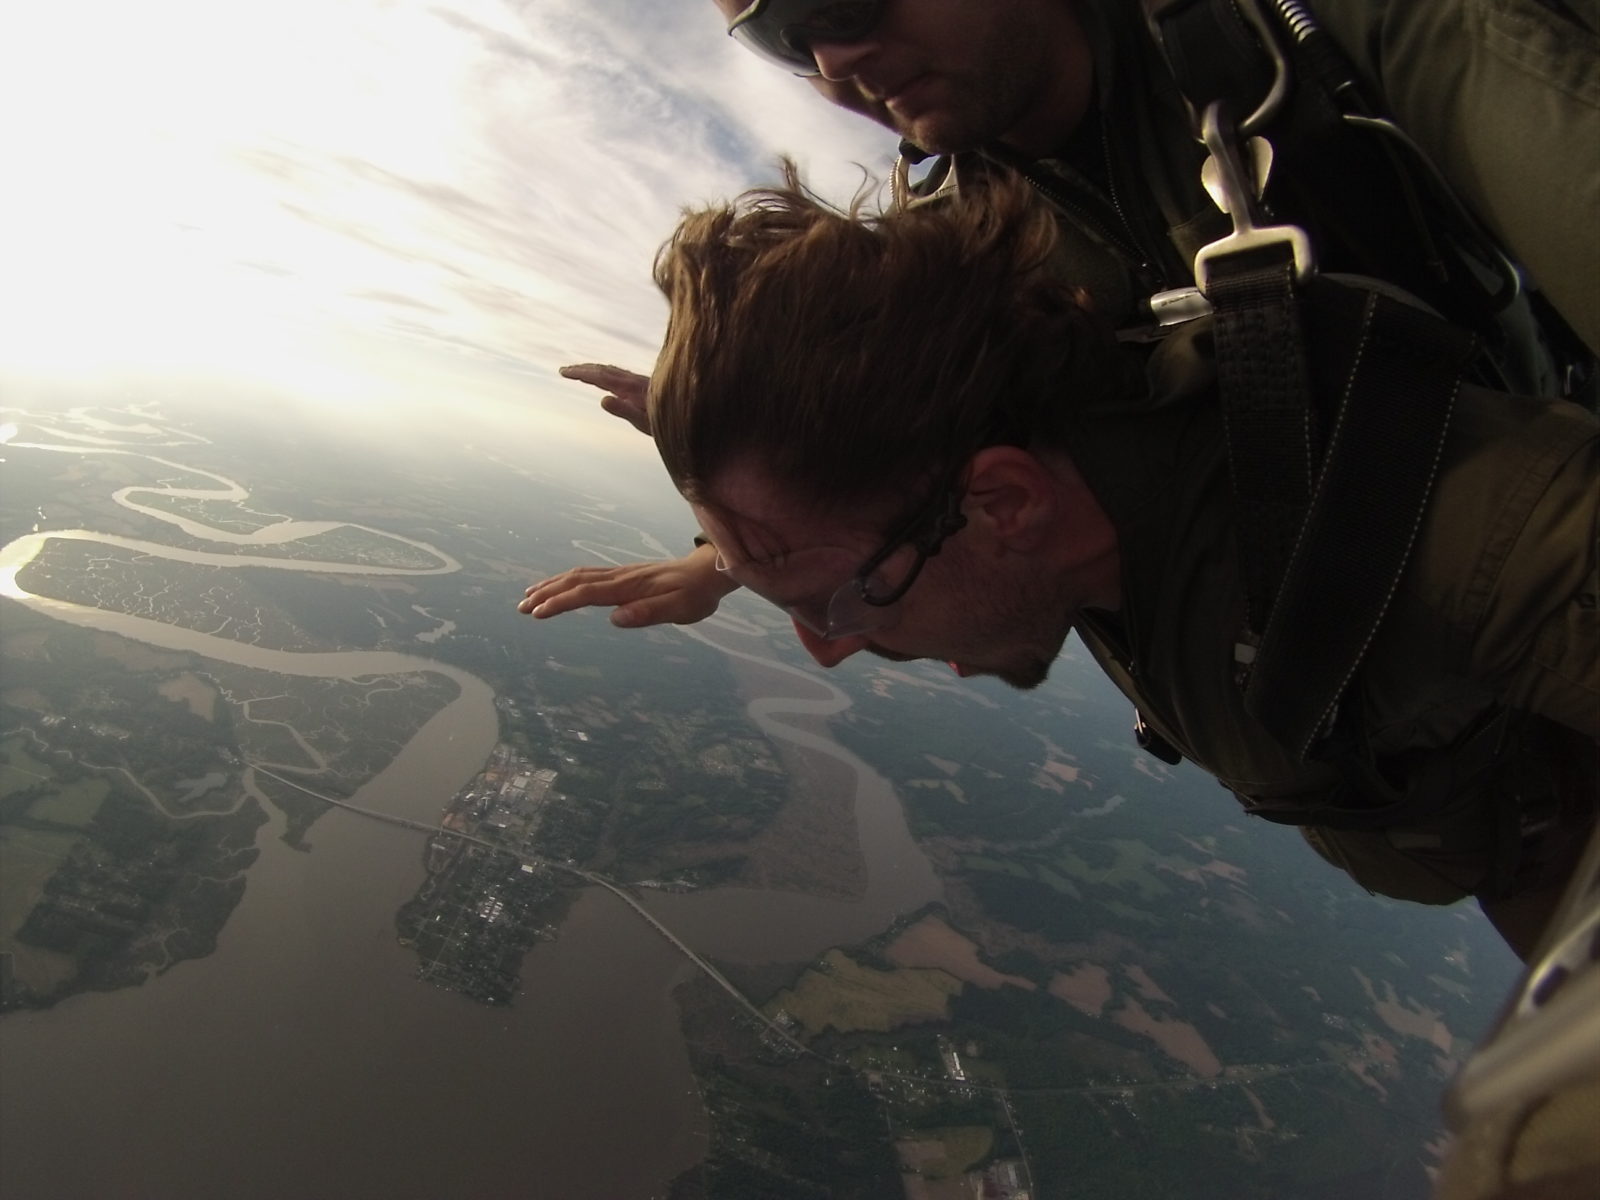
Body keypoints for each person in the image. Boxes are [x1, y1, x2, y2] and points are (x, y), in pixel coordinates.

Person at [530, 166, 1599, 964]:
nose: (832, 647)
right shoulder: (1047, 489)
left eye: (840, 599)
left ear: (1004, 504)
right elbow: (866, 522)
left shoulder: (1472, 544)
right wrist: (729, 564)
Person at [531, 0, 1599, 629]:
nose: (829, 62)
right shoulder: (954, 230)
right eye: (781, 38)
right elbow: (883, 457)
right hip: (1417, 716)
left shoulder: (1314, 33)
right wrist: (727, 556)